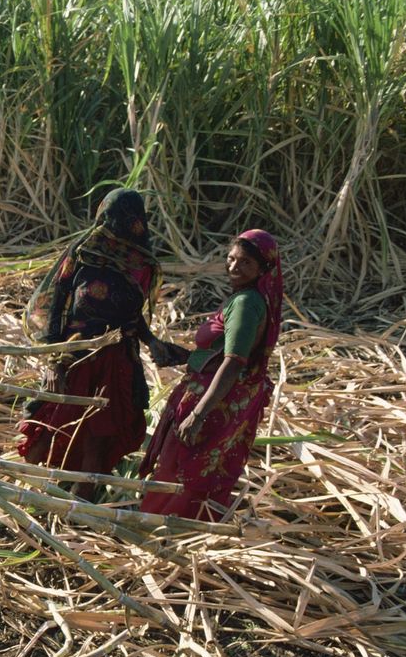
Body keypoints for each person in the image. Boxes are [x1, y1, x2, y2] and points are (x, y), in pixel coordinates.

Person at [18, 188, 187, 497]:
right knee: (49, 419)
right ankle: (26, 492)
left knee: (99, 431)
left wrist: (151, 342)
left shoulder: (142, 263)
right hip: (76, 353)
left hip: (116, 360)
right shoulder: (84, 251)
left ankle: (81, 507)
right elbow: (55, 305)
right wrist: (55, 360)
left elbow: (134, 315)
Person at [138, 230, 284, 521]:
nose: (233, 268)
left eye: (245, 263)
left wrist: (198, 414)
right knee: (195, 468)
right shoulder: (248, 299)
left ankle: (159, 525)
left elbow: (233, 363)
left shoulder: (246, 303)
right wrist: (182, 355)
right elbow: (222, 353)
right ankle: (180, 524)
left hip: (214, 401)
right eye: (231, 259)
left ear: (263, 269)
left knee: (181, 467)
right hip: (220, 396)